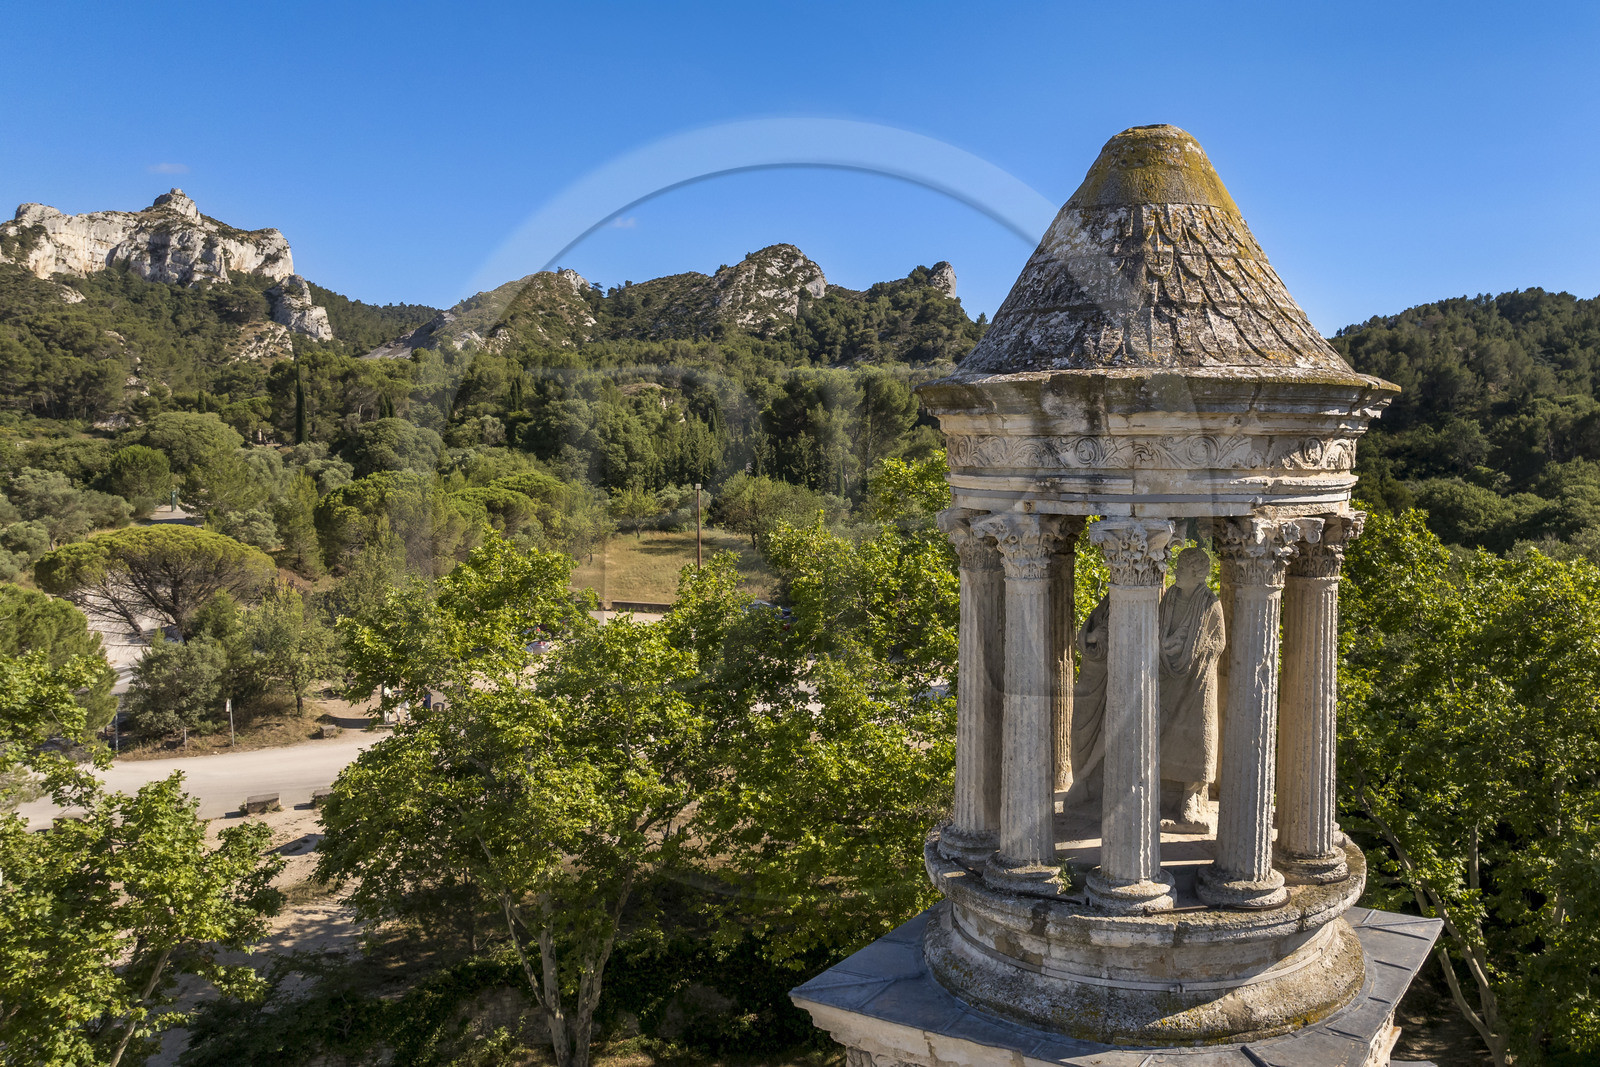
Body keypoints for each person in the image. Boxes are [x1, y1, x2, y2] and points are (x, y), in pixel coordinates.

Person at [1158, 547, 1224, 826]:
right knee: (1161, 732)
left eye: (1182, 569)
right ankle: (1161, 795)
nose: (1176, 573)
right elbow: (1157, 628)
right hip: (1166, 675)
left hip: (1197, 681)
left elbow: (1218, 642)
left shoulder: (1210, 603)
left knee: (1197, 737)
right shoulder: (1170, 597)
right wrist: (1167, 645)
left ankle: (1191, 799)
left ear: (1197, 575)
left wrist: (1191, 647)